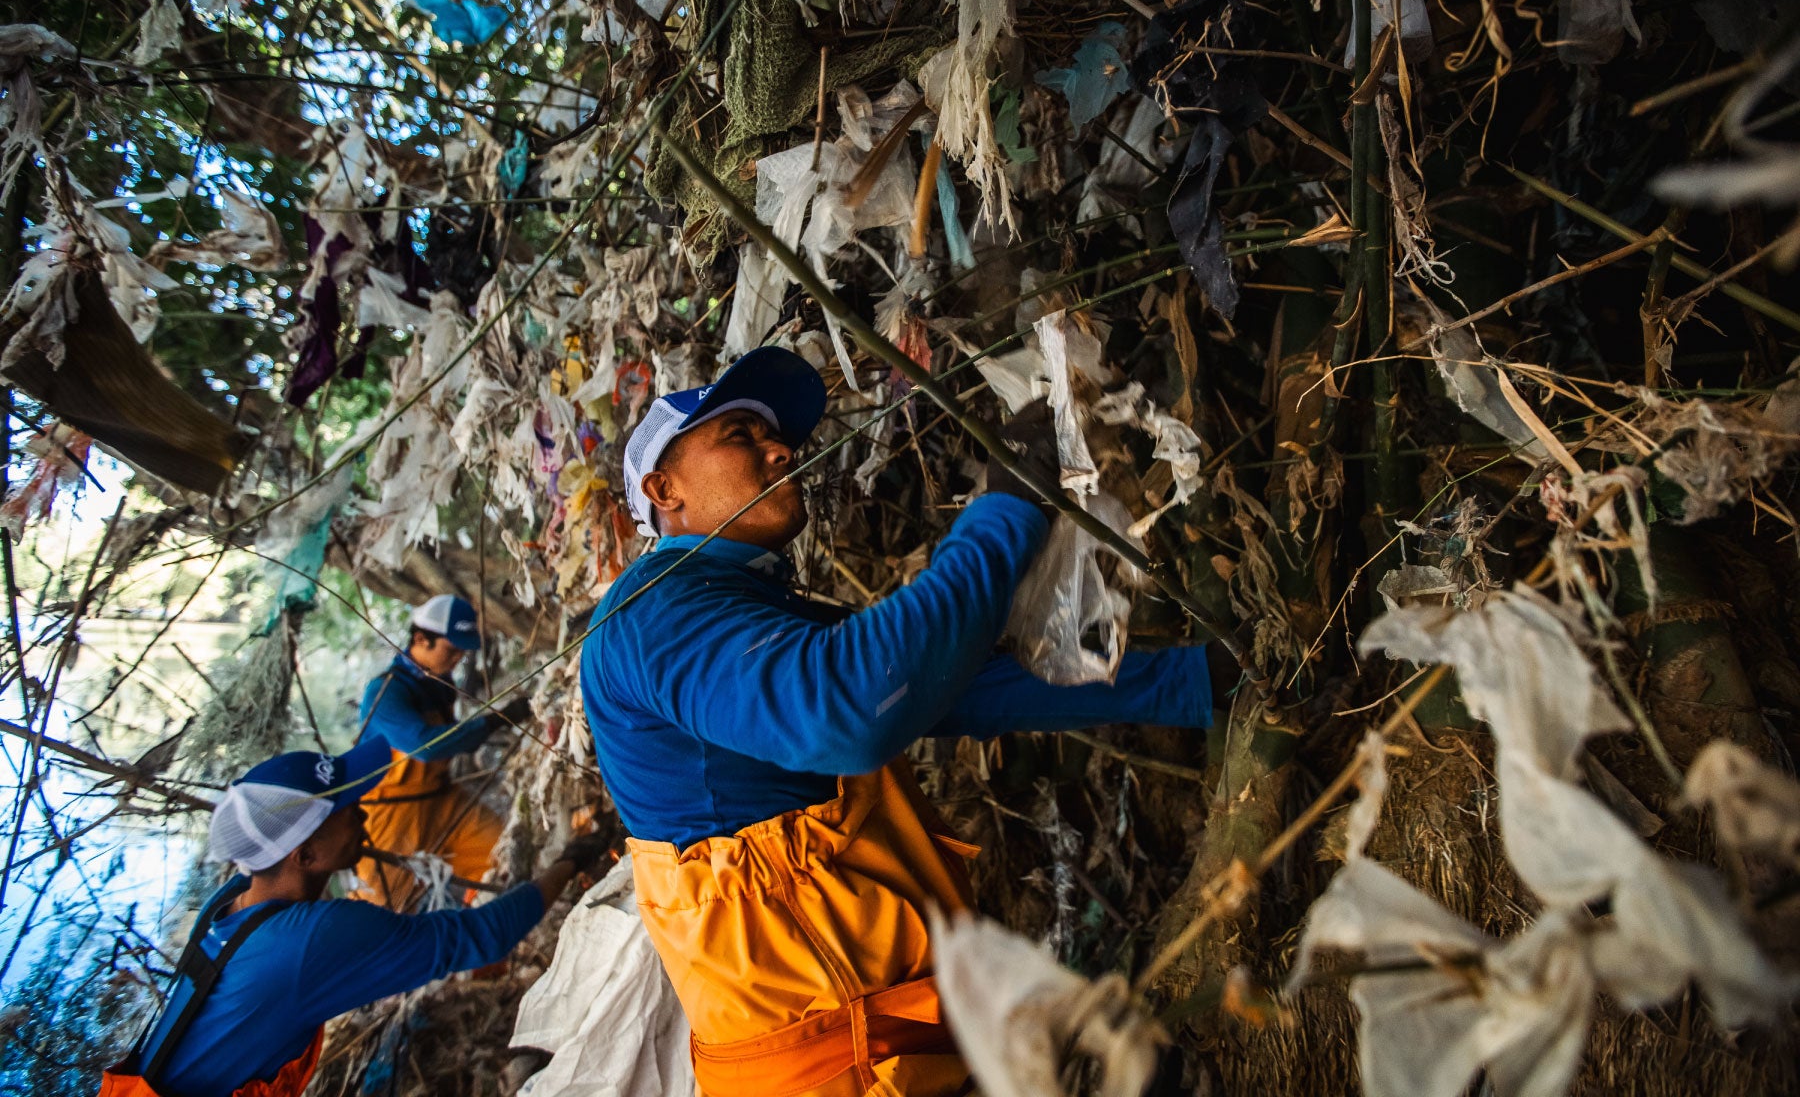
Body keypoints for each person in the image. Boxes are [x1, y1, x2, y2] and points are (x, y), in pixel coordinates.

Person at [580, 346, 1215, 1097]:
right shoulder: (650, 617)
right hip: (833, 1065)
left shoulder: (740, 609)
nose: (781, 450)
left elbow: (956, 687)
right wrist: (1002, 515)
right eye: (740, 438)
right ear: (664, 489)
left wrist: (1196, 682)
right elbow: (849, 708)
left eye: (776, 436)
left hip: (881, 1037)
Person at [98, 740, 605, 1097]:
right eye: (343, 807)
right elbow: (482, 936)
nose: (361, 810)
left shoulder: (231, 903)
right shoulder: (314, 938)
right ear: (305, 854)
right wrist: (571, 861)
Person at [352, 595, 528, 910]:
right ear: (421, 639)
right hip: (393, 815)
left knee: (504, 857)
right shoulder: (385, 692)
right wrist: (492, 722)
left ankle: (486, 935)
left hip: (442, 800)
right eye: (451, 649)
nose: (458, 659)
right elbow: (426, 746)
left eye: (462, 651)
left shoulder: (441, 684)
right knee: (382, 908)